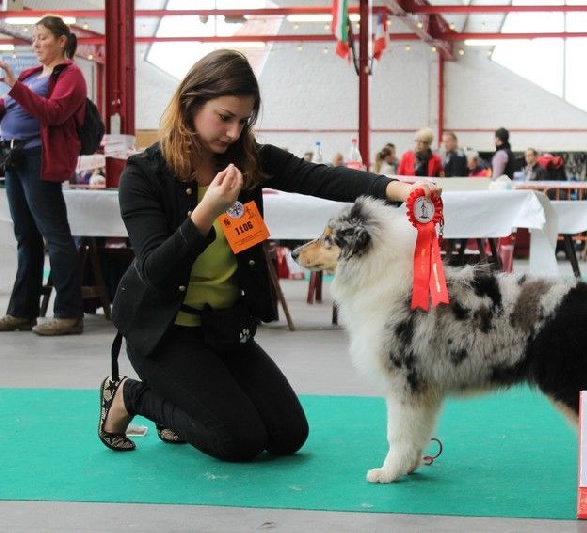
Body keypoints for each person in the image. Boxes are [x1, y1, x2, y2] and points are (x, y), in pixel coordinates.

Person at [97, 49, 440, 461]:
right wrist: (206, 212)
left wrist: (401, 189)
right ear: (191, 103)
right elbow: (154, 270)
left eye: (244, 121)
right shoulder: (143, 174)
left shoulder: (248, 160)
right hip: (163, 332)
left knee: (288, 435)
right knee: (237, 440)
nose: (233, 132)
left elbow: (321, 178)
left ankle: (184, 406)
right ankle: (130, 395)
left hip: (224, 328)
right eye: (224, 117)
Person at [0, 15, 86, 336]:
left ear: (61, 41)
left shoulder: (71, 75)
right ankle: (22, 312)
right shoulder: (31, 74)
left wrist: (16, 88)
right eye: (34, 38)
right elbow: (12, 107)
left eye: (42, 37)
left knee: (55, 236)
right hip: (15, 157)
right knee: (26, 236)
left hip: (40, 158)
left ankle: (69, 313)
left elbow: (54, 113)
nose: (35, 44)